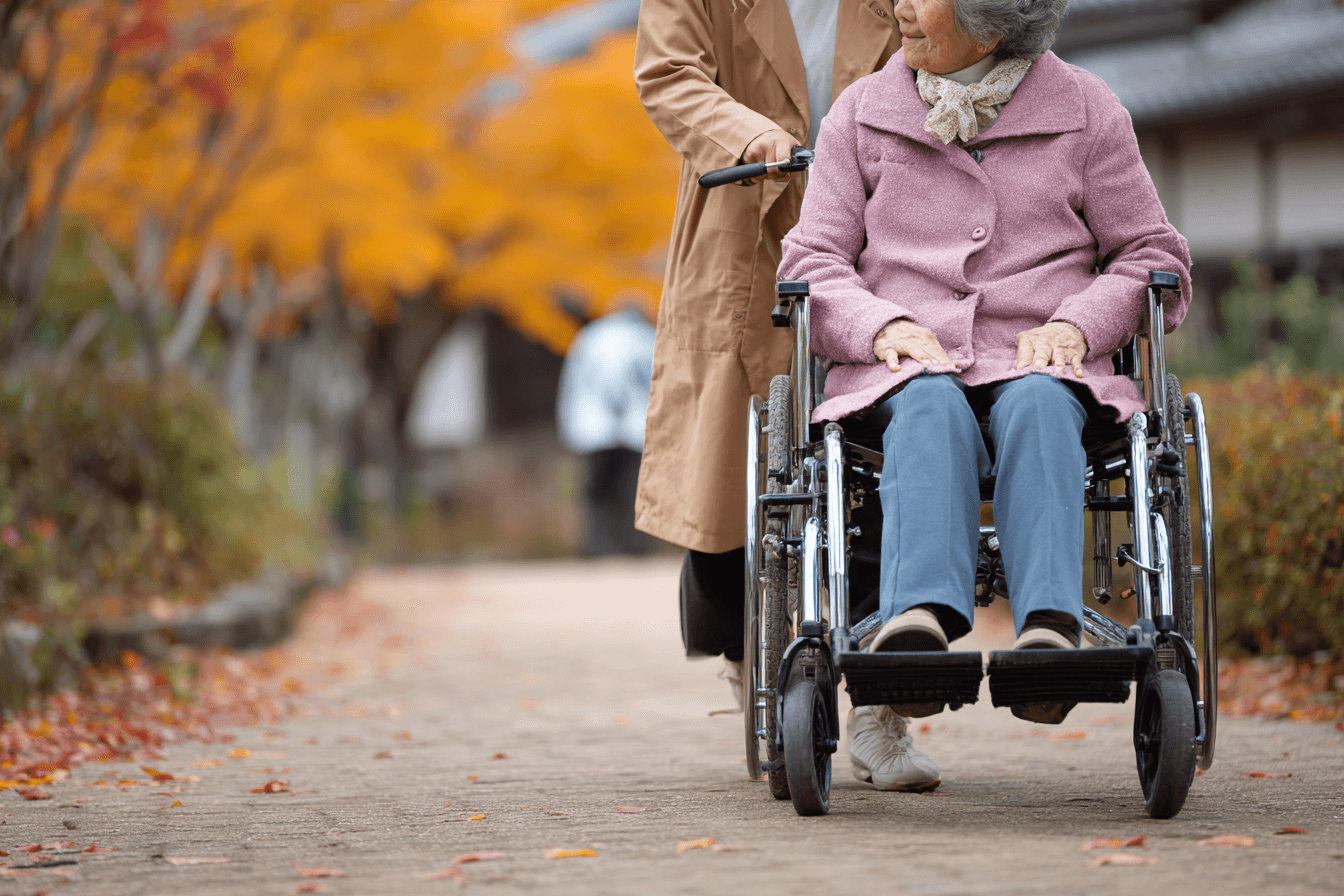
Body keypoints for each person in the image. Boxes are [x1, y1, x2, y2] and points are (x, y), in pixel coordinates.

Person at [779, 0, 1191, 754]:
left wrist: (1078, 323)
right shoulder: (863, 112)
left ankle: (1049, 630)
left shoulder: (1087, 110)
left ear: (992, 20)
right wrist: (879, 326)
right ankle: (918, 624)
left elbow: (1151, 256)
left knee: (1039, 402)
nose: (899, 6)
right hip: (901, 365)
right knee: (930, 405)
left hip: (1042, 358)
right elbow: (812, 263)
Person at [635, 0, 942, 791]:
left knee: (877, 459)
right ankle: (750, 660)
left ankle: (881, 710)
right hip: (744, 222)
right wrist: (748, 131)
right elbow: (668, 72)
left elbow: (948, 54)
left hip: (877, 235)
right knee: (727, 484)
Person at [557, 306, 658, 556]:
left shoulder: (591, 336)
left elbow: (574, 383)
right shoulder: (646, 337)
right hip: (636, 427)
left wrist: (569, 423)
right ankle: (633, 547)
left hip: (593, 427)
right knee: (633, 493)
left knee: (597, 493)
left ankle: (598, 547)